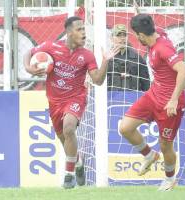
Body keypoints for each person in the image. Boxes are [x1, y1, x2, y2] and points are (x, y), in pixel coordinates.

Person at [24, 16, 119, 189]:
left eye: (84, 29)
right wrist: (28, 68)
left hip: (76, 98)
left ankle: (69, 175)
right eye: (79, 29)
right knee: (64, 138)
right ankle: (78, 162)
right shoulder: (50, 47)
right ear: (68, 33)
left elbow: (97, 80)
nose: (83, 33)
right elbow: (28, 53)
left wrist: (105, 61)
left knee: (69, 128)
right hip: (54, 101)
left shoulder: (87, 55)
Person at [118, 14, 185, 191]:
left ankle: (170, 179)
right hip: (153, 95)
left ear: (141, 35)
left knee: (165, 145)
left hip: (170, 104)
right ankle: (149, 155)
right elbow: (147, 24)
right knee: (125, 127)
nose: (135, 38)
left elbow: (184, 71)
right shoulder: (157, 33)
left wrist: (173, 100)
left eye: (136, 35)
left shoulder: (163, 48)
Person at [107, 24, 150, 91]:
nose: (122, 38)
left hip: (132, 99)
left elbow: (146, 85)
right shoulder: (106, 58)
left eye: (124, 35)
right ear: (111, 38)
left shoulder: (137, 58)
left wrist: (130, 78)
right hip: (111, 98)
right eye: (118, 35)